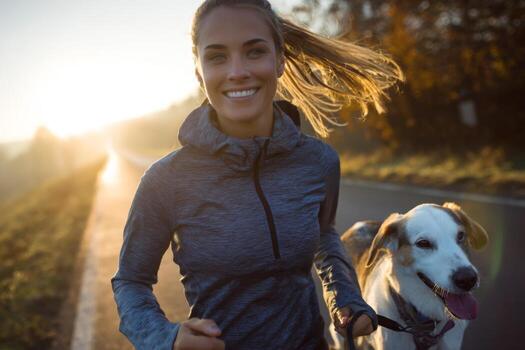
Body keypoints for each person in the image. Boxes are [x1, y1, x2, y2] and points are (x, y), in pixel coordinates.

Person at [110, 1, 404, 349]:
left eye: (254, 52)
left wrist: (345, 298)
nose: (237, 71)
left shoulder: (319, 161)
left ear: (279, 60)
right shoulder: (165, 181)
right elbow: (130, 280)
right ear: (198, 71)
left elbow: (323, 235)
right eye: (217, 57)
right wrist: (165, 337)